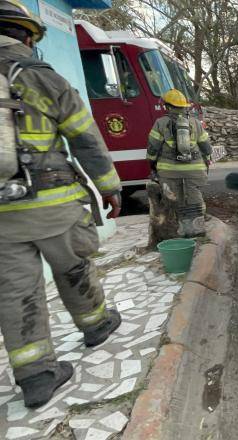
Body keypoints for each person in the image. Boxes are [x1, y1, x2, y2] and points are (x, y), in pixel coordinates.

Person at [0, 0, 123, 408]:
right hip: (53, 205)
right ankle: (97, 325)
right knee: (73, 268)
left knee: (16, 292)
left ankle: (36, 376)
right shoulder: (43, 79)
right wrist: (110, 187)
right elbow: (85, 139)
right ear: (28, 37)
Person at [146, 88, 212, 237]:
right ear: (184, 106)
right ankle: (197, 232)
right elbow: (206, 147)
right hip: (195, 171)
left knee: (173, 201)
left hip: (168, 172)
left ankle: (177, 234)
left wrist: (152, 164)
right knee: (194, 198)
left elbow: (152, 148)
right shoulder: (195, 123)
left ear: (167, 106)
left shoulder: (160, 123)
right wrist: (206, 160)